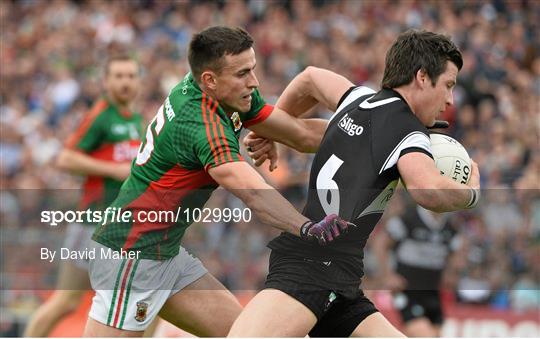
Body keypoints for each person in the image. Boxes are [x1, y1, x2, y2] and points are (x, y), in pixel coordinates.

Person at [83, 26, 351, 337]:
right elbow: (255, 196)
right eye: (243, 73)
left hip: (164, 254)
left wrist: (366, 136)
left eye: (252, 69)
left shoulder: (224, 92)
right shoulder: (200, 122)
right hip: (131, 257)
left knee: (246, 334)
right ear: (210, 80)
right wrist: (308, 228)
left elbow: (301, 134)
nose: (254, 81)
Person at [228, 29, 481, 337]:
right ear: (422, 77)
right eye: (448, 85)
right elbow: (427, 189)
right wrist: (470, 194)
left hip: (340, 281)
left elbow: (309, 78)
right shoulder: (408, 131)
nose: (450, 100)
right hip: (311, 270)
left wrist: (274, 125)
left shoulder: (359, 100)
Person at [24, 55, 149, 336]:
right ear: (106, 82)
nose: (125, 82)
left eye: (130, 76)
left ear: (139, 81)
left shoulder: (137, 120)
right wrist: (112, 170)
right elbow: (66, 158)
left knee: (145, 299)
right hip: (92, 223)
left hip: (121, 226)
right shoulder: (101, 116)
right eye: (118, 76)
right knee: (67, 300)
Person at [372, 203, 462, 337]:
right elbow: (380, 244)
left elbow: (456, 252)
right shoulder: (408, 218)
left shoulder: (450, 225)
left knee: (435, 334)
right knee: (423, 334)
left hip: (432, 292)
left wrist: (450, 273)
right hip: (406, 291)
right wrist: (388, 275)